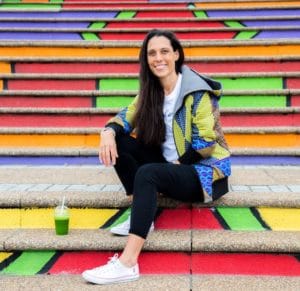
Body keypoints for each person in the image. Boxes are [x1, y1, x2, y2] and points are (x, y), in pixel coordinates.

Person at [82, 29, 231, 285]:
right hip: (169, 167)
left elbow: (207, 142)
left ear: (176, 54)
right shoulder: (151, 92)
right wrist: (107, 131)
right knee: (119, 139)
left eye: (164, 51)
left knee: (148, 173)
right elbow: (125, 116)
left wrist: (178, 164)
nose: (158, 58)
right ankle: (144, 215)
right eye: (152, 53)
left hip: (201, 171)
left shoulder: (197, 92)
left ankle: (128, 263)